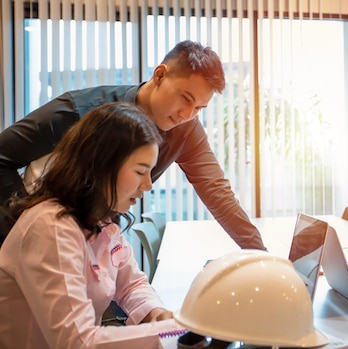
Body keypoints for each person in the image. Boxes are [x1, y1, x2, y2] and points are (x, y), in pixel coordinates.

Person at [0, 40, 265, 250]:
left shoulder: (185, 129)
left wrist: (260, 255)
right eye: (185, 98)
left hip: (98, 247)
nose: (187, 114)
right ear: (160, 74)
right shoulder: (79, 111)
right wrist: (29, 223)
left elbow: (215, 188)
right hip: (29, 242)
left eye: (199, 108)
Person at [0, 102, 183, 349]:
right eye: (141, 171)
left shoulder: (100, 219)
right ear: (102, 166)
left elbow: (131, 283)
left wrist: (156, 312)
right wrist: (172, 329)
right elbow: (78, 343)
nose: (148, 185)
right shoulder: (50, 228)